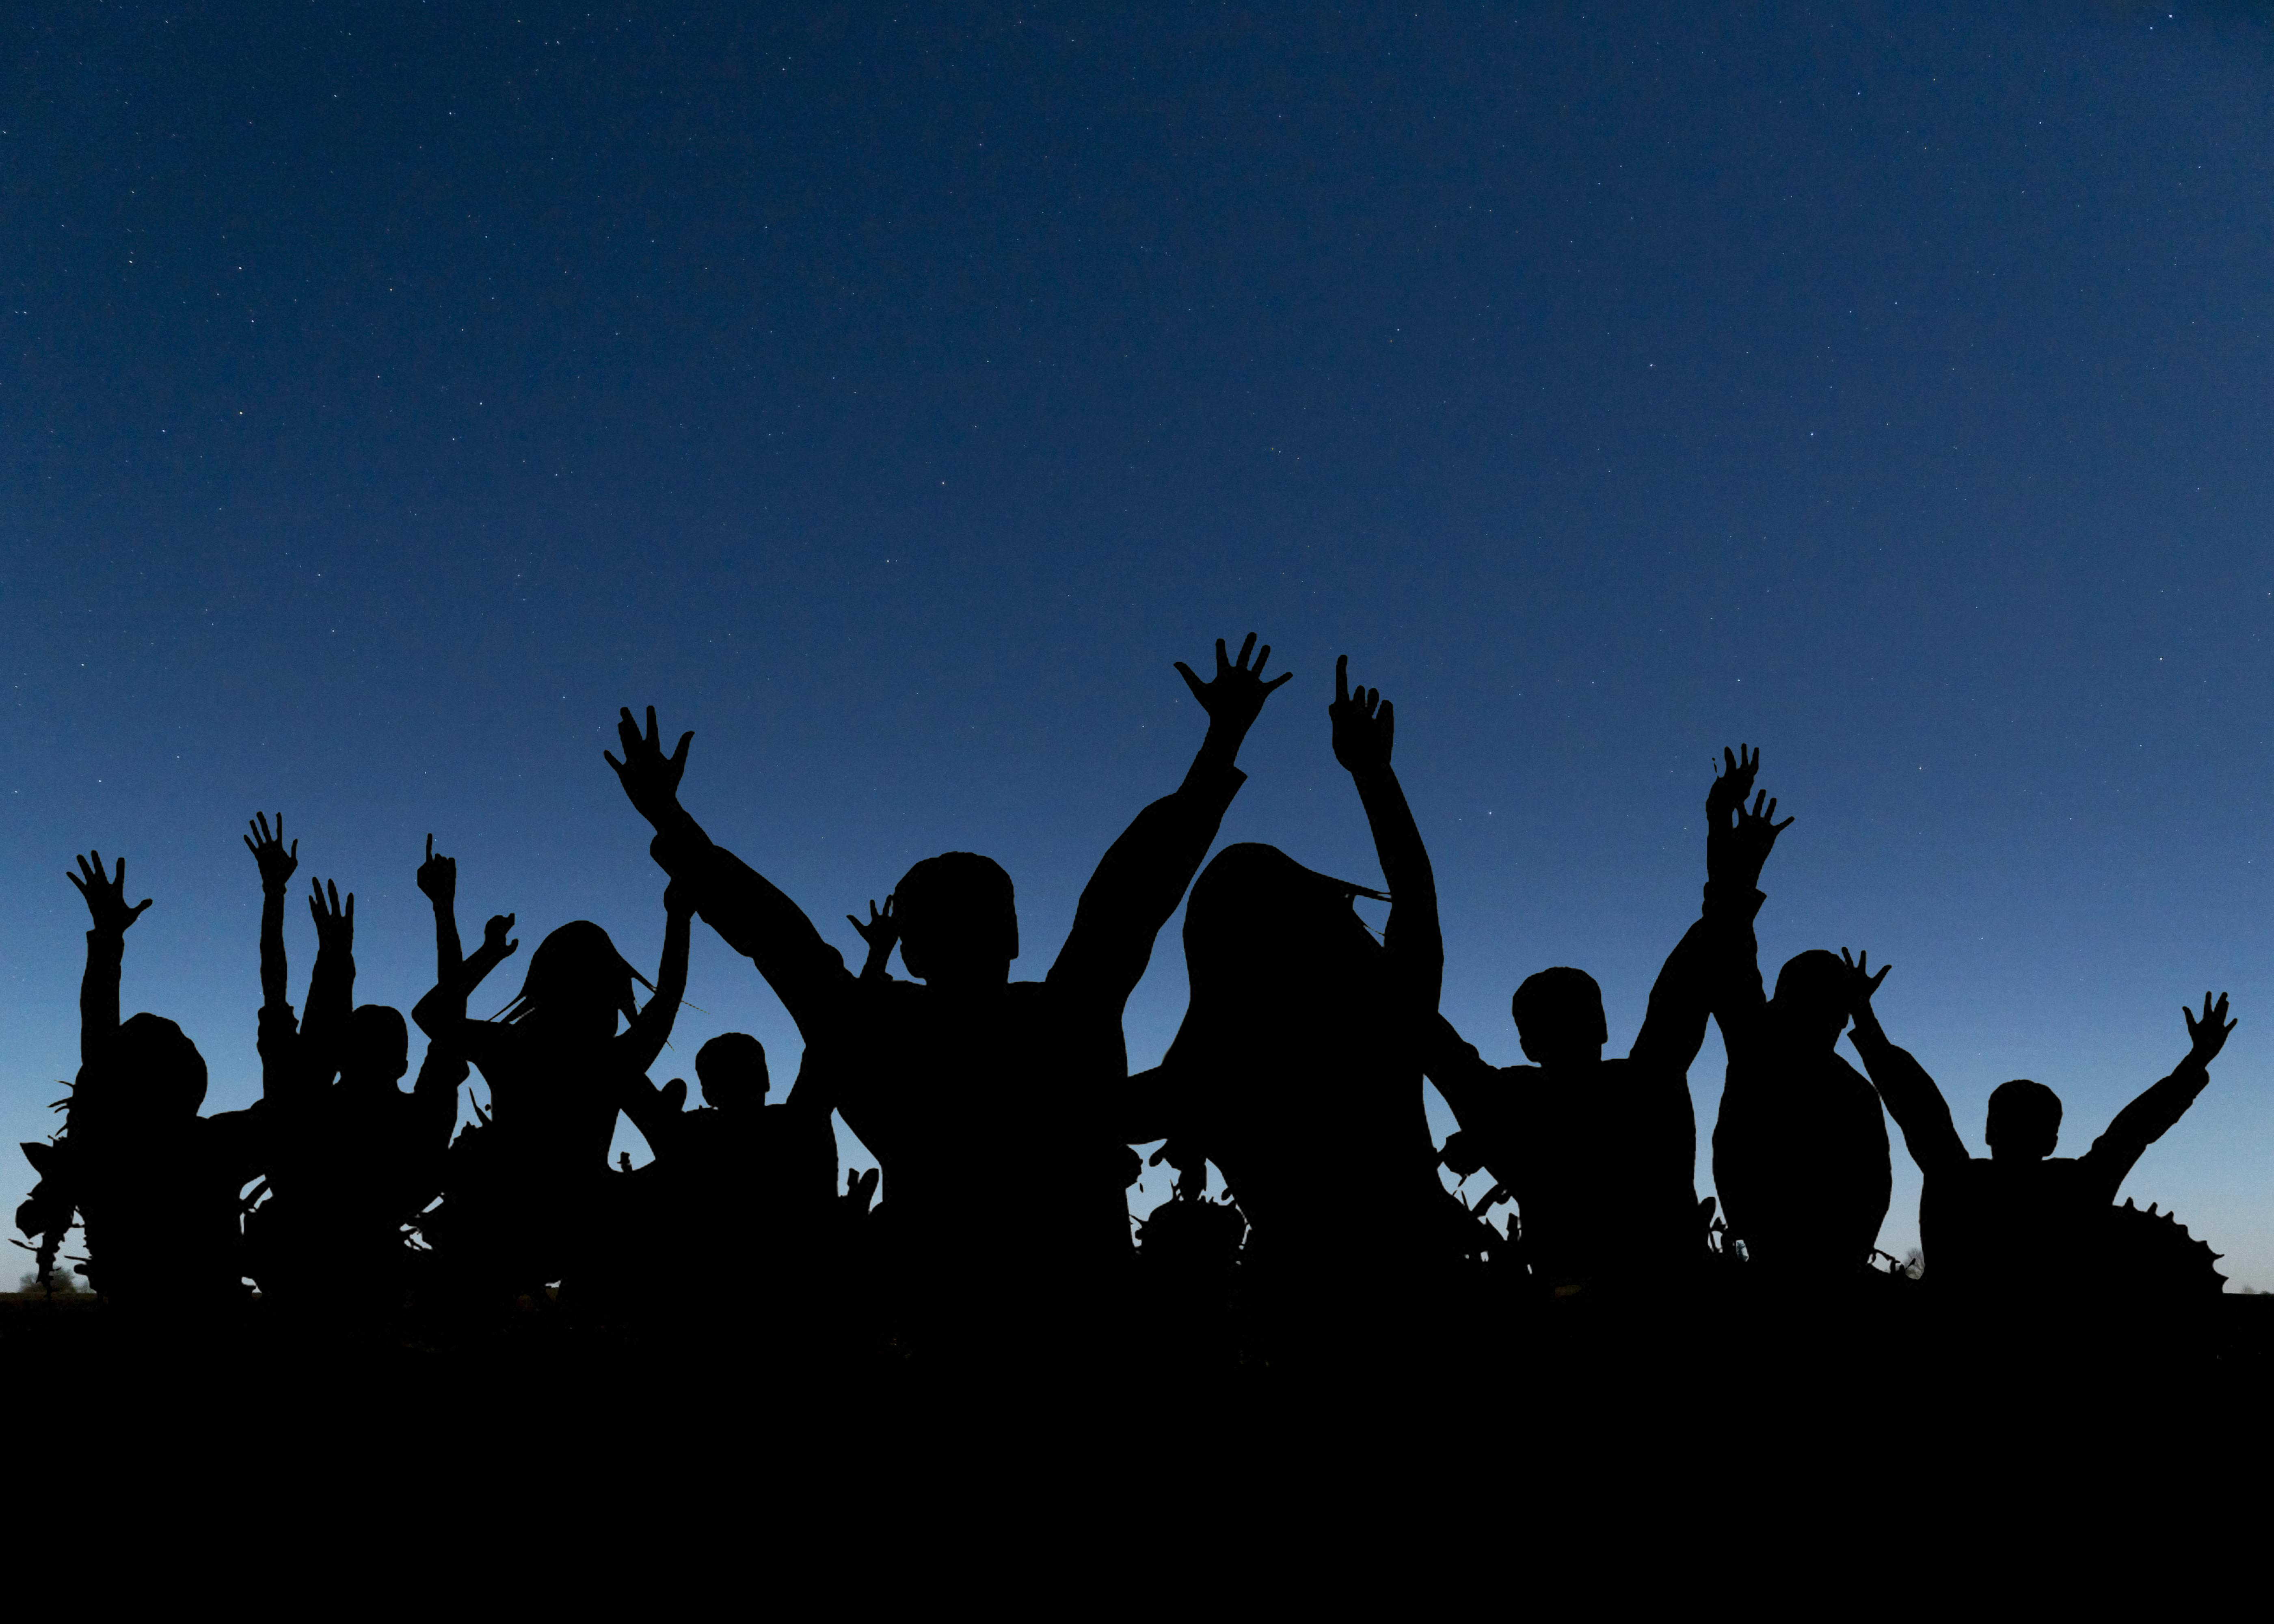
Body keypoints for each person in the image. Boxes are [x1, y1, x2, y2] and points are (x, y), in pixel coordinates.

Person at [607, 634, 1290, 1347]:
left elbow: (779, 937)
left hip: (940, 1325)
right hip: (1084, 1326)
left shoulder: (876, 1030)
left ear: (908, 949)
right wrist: (1222, 741)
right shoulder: (1064, 1018)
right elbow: (1131, 898)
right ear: (1014, 936)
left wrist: (670, 821)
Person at [1131, 656, 1475, 1325]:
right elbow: (1415, 895)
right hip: (1429, 1292)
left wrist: (1223, 739)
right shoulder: (1388, 1015)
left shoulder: (1206, 1080)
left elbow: (1119, 925)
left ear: (1211, 949)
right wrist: (1372, 772)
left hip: (1302, 1311)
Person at [1423, 747, 1775, 1296]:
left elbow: (1418, 1021)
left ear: (1527, 1043)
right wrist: (1723, 849)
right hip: (1681, 1306)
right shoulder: (1647, 1084)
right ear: (1603, 1027)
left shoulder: (1506, 1104)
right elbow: (1703, 955)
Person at [1842, 953, 2235, 1300]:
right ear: (2052, 1141)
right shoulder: (2079, 1186)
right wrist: (2197, 1061)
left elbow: (1916, 1106)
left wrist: (1864, 1014)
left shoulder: (1956, 1179)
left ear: (1989, 1133)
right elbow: (2135, 1129)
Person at [245, 828, 517, 1311]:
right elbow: (450, 1016)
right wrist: (444, 909)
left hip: (297, 1278)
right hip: (374, 1282)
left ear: (340, 1055)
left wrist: (275, 894)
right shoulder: (421, 1121)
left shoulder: (303, 1109)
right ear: (403, 1063)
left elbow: (274, 993)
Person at [413, 877, 691, 1305]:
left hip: (502, 1221)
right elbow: (668, 996)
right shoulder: (612, 1059)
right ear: (610, 990)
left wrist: (489, 953)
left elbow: (430, 1014)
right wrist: (678, 918)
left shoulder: (507, 1046)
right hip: (582, 1223)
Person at [15, 852, 262, 1308]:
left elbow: (101, 1060)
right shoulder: (217, 1147)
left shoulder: (99, 1156)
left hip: (137, 1319)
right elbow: (299, 1088)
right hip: (216, 1322)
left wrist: (108, 939)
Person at [1708, 767, 1892, 1285]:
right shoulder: (1847, 1087)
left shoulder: (1761, 1049)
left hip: (1796, 1263)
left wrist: (1730, 846)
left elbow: (1727, 940)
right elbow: (1728, 941)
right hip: (1817, 1267)